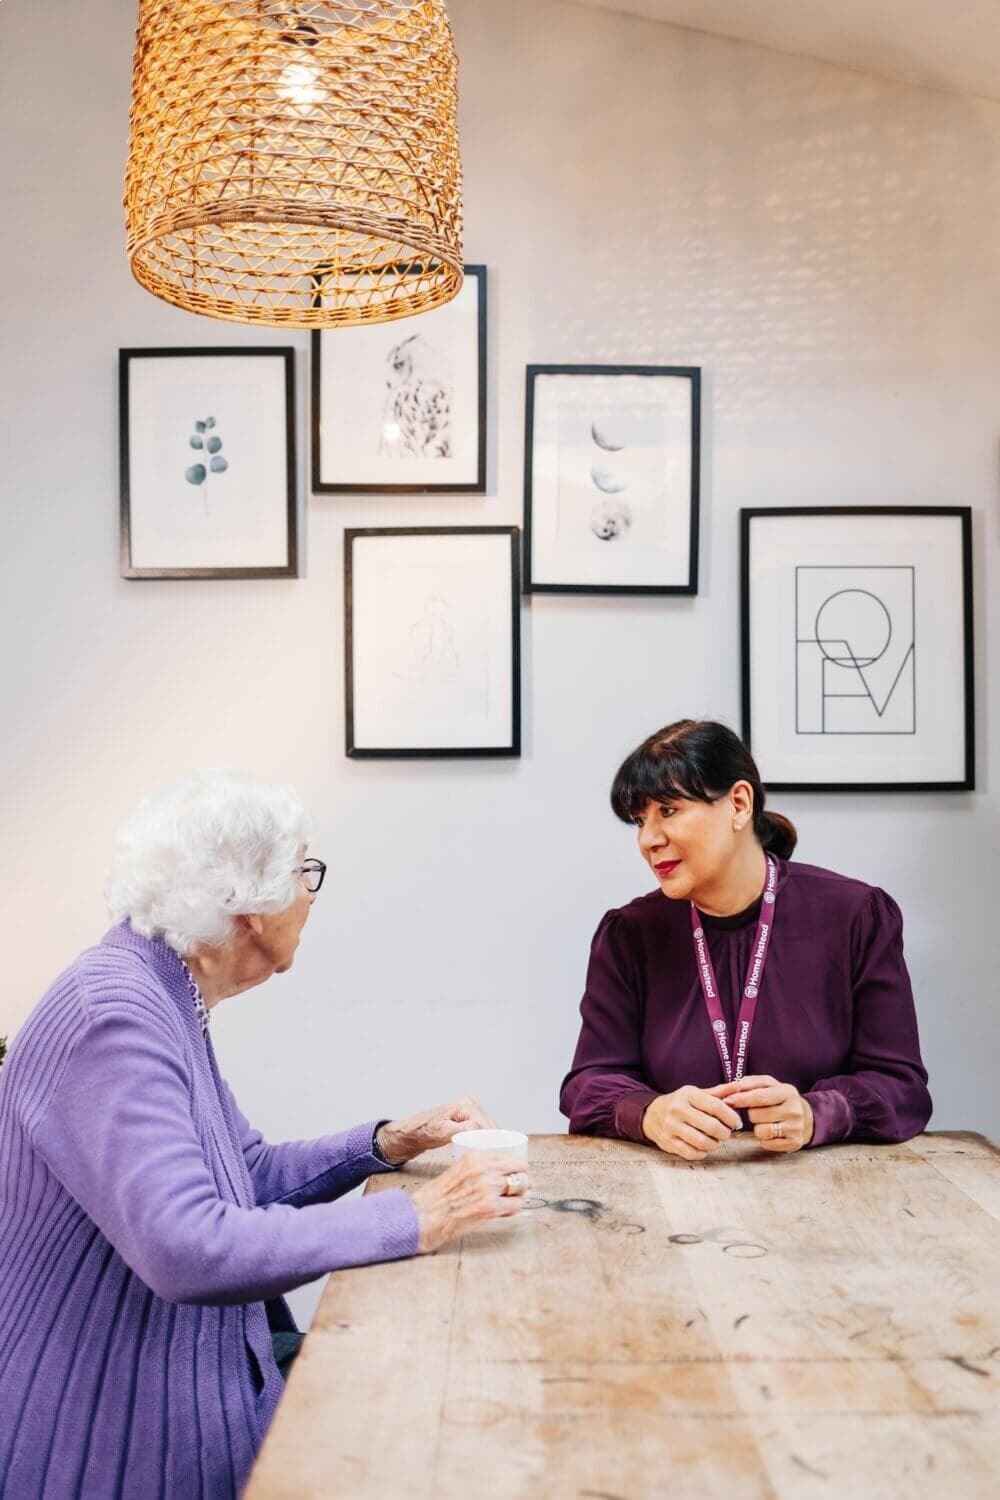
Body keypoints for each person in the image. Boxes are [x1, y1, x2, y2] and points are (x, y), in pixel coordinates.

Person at [0, 771, 530, 1500]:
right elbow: (187, 1246)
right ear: (248, 906)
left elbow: (241, 1172)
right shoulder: (114, 1016)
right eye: (304, 871)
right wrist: (420, 1217)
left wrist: (388, 1141)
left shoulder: (162, 990)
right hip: (110, 1452)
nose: (312, 894)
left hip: (190, 1414)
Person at [560, 719, 931, 1159]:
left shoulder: (855, 916)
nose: (648, 839)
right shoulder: (629, 935)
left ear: (738, 804)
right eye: (640, 820)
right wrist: (650, 1113)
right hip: (675, 1192)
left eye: (668, 810)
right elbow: (587, 1083)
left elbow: (902, 1087)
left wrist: (816, 1114)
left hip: (831, 1195)